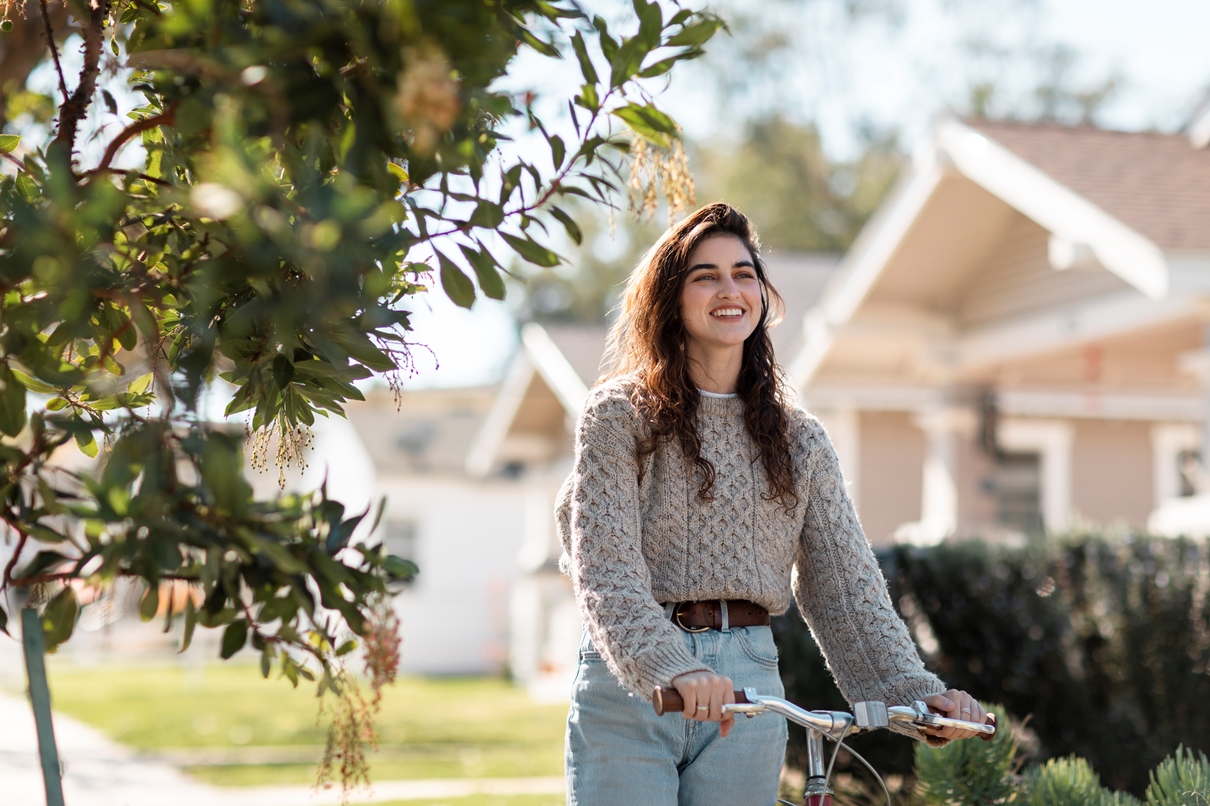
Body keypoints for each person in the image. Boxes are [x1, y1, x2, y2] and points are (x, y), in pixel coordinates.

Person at [555, 202, 987, 806]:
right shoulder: (618, 416)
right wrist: (670, 666)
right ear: (669, 298)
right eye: (705, 275)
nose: (729, 289)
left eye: (744, 273)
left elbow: (846, 587)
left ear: (762, 293)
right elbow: (605, 572)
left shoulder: (799, 438)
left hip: (749, 686)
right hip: (632, 686)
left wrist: (913, 693)